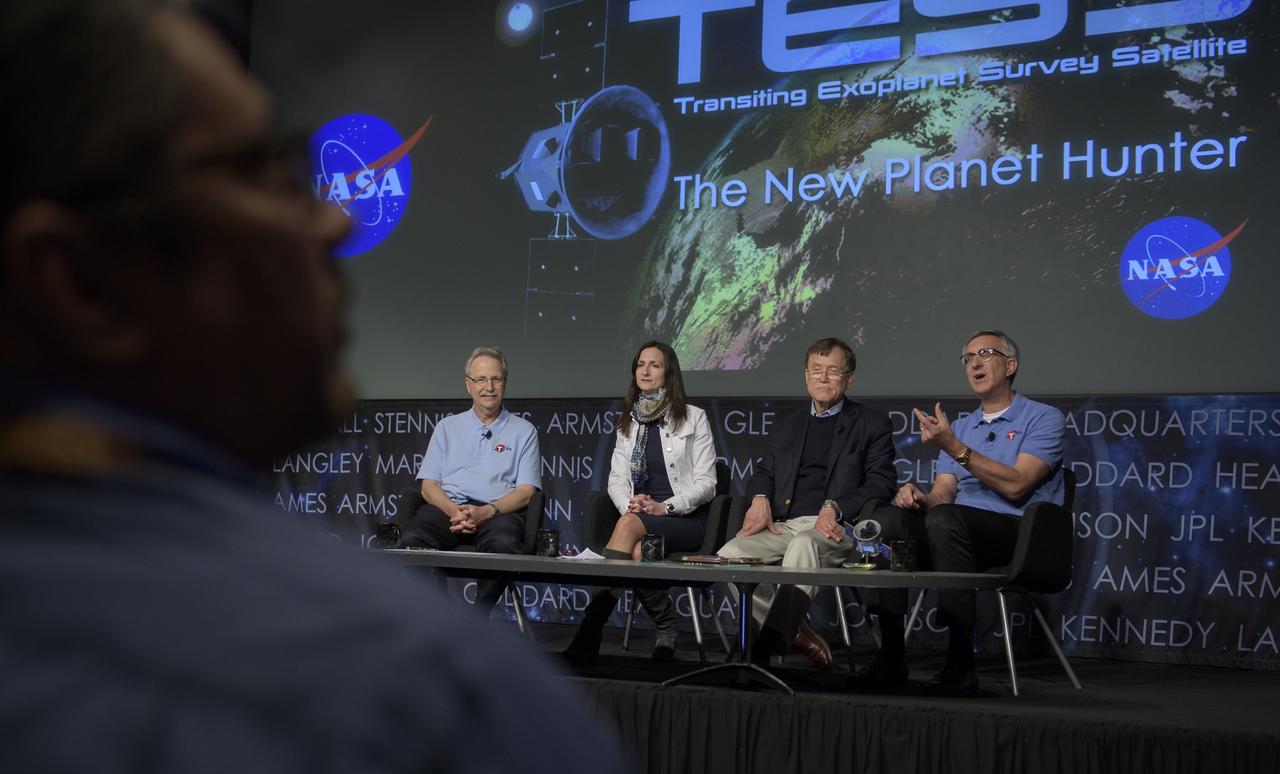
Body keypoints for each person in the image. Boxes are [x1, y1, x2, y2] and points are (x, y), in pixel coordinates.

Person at [0, 3, 629, 772]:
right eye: (267, 175)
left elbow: (523, 499)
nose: (333, 224)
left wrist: (479, 510)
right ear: (77, 284)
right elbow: (430, 484)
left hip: (496, 526)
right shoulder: (447, 708)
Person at [852, 330, 1065, 696]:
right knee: (888, 517)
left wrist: (954, 446)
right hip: (951, 531)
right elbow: (943, 495)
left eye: (985, 353)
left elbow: (1017, 485)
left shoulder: (1043, 418)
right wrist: (919, 497)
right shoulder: (963, 427)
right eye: (968, 357)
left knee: (946, 519)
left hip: (1016, 534)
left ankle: (960, 659)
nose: (975, 363)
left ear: (1010, 365)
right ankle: (891, 654)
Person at [717, 338, 896, 669]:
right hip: (785, 524)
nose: (823, 378)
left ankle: (765, 647)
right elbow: (764, 473)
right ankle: (793, 628)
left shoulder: (871, 424)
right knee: (729, 557)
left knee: (803, 545)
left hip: (837, 529)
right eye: (816, 370)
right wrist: (759, 498)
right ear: (806, 375)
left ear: (849, 378)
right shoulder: (789, 422)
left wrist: (836, 506)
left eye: (832, 371)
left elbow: (882, 483)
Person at [563, 341, 718, 664]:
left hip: (687, 521)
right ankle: (666, 629)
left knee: (631, 529)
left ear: (669, 373)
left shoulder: (694, 418)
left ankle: (589, 630)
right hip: (640, 519)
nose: (646, 371)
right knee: (636, 549)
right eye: (640, 365)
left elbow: (707, 484)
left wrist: (665, 507)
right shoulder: (629, 421)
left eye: (655, 365)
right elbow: (617, 480)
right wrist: (629, 506)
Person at [405, 346, 542, 615]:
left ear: (505, 383)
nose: (488, 387)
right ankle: (436, 617)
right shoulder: (447, 427)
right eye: (481, 379)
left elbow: (526, 492)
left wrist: (485, 511)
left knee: (505, 546)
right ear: (469, 385)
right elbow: (429, 486)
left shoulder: (524, 431)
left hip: (497, 511)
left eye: (496, 379)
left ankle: (475, 622)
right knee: (411, 542)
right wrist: (455, 511)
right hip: (449, 509)